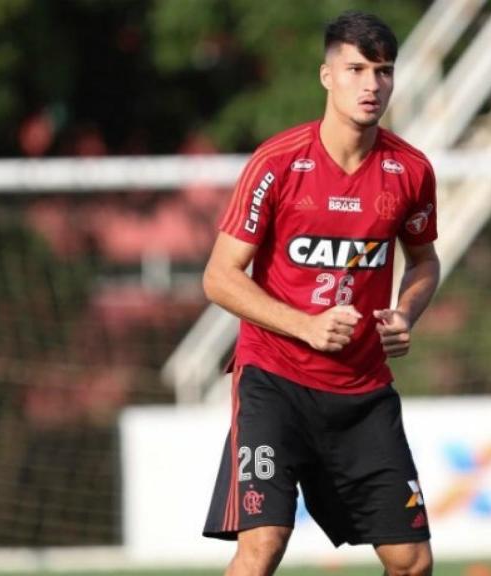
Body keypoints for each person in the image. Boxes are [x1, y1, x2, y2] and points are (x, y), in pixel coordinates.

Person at [201, 10, 440, 576]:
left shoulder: (410, 170)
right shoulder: (278, 163)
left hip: (362, 391)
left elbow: (425, 261)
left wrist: (406, 312)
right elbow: (219, 276)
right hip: (274, 382)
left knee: (411, 561)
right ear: (327, 76)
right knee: (263, 545)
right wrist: (305, 325)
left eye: (383, 71)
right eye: (356, 69)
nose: (371, 84)